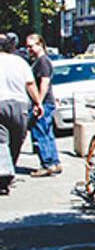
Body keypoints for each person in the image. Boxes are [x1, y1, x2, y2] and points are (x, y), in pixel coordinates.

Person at [0, 33, 42, 194]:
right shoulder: (20, 62)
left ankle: (4, 174)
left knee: (1, 141)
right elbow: (30, 84)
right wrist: (38, 102)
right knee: (17, 140)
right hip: (20, 105)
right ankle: (7, 172)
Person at [25, 34, 62, 177]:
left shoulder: (42, 62)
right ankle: (54, 162)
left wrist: (38, 102)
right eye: (27, 47)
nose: (29, 49)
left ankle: (47, 164)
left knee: (40, 133)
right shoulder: (39, 61)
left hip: (44, 103)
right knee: (47, 133)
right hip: (46, 102)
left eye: (31, 46)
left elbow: (44, 83)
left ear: (40, 45)